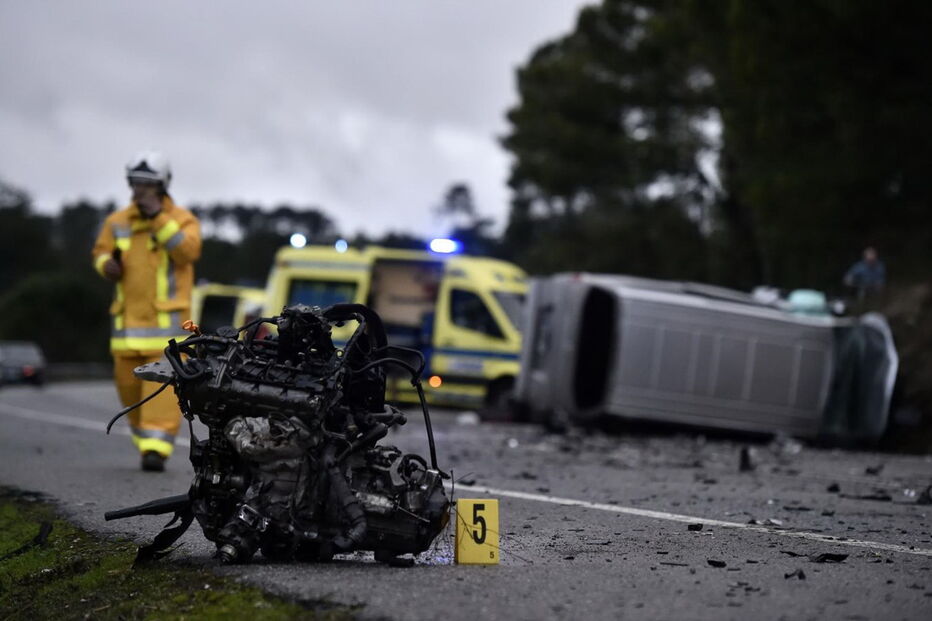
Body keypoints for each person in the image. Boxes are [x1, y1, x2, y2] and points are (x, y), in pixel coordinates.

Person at [92, 151, 201, 471]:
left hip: (166, 333)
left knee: (160, 394)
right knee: (129, 394)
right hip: (126, 329)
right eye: (136, 184)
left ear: (162, 186)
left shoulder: (181, 219)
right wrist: (104, 265)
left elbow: (187, 252)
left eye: (148, 185)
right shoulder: (117, 222)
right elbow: (99, 253)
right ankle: (146, 443)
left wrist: (158, 218)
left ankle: (156, 450)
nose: (140, 190)